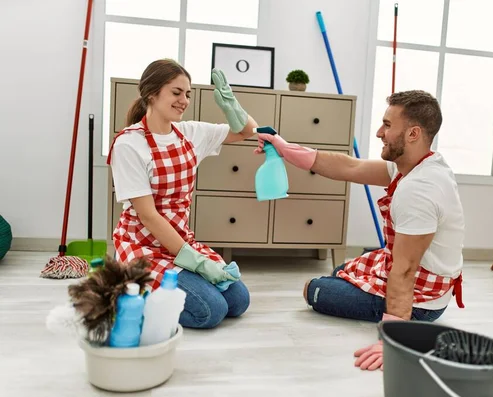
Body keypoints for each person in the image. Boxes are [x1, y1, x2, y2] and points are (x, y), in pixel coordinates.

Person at [255, 90, 465, 370]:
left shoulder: (419, 190)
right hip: (420, 279)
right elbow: (350, 167)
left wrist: (393, 339)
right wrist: (284, 147)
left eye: (388, 125)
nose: (379, 132)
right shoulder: (416, 166)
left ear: (413, 133)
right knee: (338, 271)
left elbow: (404, 271)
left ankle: (402, 321)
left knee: (313, 289)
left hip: (421, 302)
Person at [107, 59, 258, 329]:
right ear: (152, 93)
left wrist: (230, 104)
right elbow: (149, 216)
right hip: (143, 247)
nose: (184, 100)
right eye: (176, 92)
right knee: (210, 311)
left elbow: (249, 131)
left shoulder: (189, 133)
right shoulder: (129, 144)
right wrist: (197, 263)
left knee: (238, 301)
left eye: (187, 94)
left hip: (179, 242)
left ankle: (162, 287)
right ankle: (130, 291)